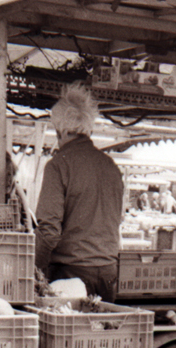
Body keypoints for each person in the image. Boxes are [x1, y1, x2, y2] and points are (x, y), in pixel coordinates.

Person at [34, 84, 125, 301]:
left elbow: (48, 231)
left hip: (71, 274)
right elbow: (116, 219)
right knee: (102, 334)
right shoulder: (111, 166)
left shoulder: (58, 165)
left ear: (62, 131)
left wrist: (33, 269)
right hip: (108, 273)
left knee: (64, 334)